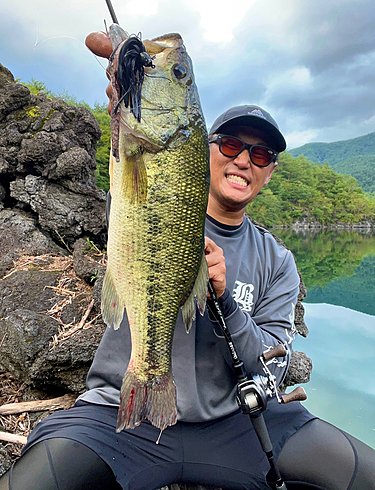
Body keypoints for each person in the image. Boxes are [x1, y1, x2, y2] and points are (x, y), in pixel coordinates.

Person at [1, 34, 375, 490]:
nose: (243, 161)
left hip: (235, 425)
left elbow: (271, 367)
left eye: (260, 154)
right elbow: (129, 164)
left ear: (271, 170)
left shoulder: (278, 262)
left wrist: (226, 304)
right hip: (119, 413)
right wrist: (127, 97)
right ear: (205, 148)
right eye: (232, 145)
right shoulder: (142, 193)